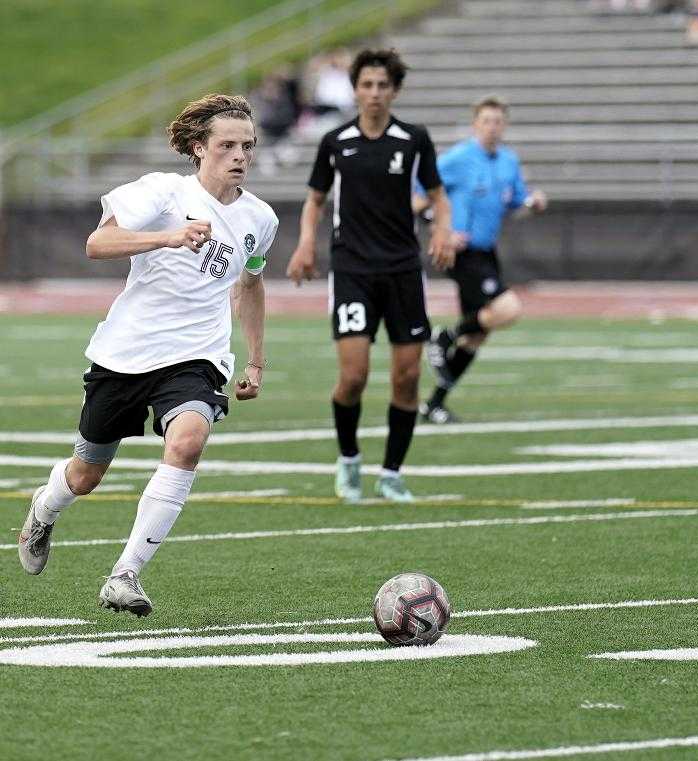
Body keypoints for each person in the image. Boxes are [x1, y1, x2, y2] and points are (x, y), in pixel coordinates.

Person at [17, 94, 278, 617]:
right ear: (199, 147)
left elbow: (250, 284)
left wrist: (254, 360)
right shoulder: (163, 191)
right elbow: (97, 244)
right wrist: (167, 237)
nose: (239, 155)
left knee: (188, 441)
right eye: (227, 145)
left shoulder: (261, 218)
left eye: (247, 146)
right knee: (85, 475)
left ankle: (125, 575)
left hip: (197, 355)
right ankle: (44, 510)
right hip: (126, 352)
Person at [285, 48, 454, 504]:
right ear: (355, 89)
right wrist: (305, 243)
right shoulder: (336, 141)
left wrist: (442, 230)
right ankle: (349, 460)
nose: (374, 93)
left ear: (394, 91)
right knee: (354, 376)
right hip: (353, 270)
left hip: (403, 270)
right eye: (367, 85)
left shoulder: (413, 138)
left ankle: (392, 474)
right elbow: (315, 200)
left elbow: (438, 195)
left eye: (383, 85)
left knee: (407, 377)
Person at [416, 94, 547, 424]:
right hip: (462, 253)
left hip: (487, 252)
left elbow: (516, 201)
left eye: (498, 121)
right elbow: (419, 195)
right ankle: (443, 337)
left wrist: (532, 203)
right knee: (508, 309)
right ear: (475, 124)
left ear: (505, 125)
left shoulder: (508, 161)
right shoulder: (459, 158)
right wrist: (440, 228)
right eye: (486, 121)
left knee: (476, 335)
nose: (492, 127)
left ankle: (434, 404)